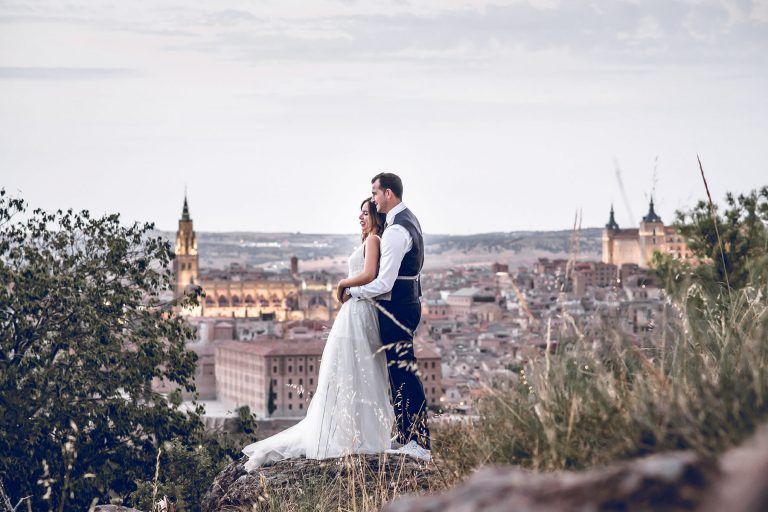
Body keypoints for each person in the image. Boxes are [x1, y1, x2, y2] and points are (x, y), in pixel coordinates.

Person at [241, 198, 394, 471]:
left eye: (365, 213)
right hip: (355, 311)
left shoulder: (373, 241)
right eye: (359, 213)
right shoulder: (368, 240)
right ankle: (355, 435)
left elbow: (370, 273)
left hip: (359, 311)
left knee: (353, 371)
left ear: (375, 216)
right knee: (352, 371)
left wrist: (343, 283)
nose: (360, 217)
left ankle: (349, 436)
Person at [341, 172, 432, 461]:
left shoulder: (395, 231)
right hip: (407, 304)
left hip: (397, 307)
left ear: (389, 193)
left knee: (403, 371)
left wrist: (351, 292)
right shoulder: (409, 221)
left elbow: (383, 283)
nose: (374, 198)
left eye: (376, 193)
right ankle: (408, 434)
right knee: (399, 371)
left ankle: (417, 439)